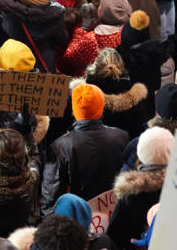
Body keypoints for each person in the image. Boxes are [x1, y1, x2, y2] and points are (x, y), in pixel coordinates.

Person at [41, 83, 129, 216]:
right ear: (101, 107)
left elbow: (51, 195)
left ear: (74, 110)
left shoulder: (61, 146)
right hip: (116, 216)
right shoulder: (122, 136)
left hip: (80, 218)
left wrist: (50, 226)